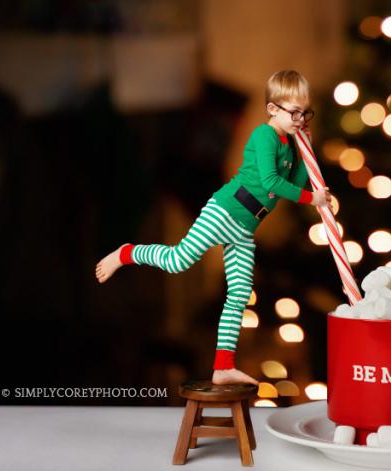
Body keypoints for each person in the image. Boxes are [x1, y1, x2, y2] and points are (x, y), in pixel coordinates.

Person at [95, 70, 330, 386]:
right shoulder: (264, 136)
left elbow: (296, 183)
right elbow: (271, 182)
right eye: (294, 112)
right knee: (178, 261)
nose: (301, 119)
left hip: (246, 227)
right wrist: (311, 197)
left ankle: (223, 366)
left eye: (305, 112)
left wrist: (305, 156)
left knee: (239, 294)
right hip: (226, 211)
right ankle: (125, 253)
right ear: (273, 109)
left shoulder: (289, 146)